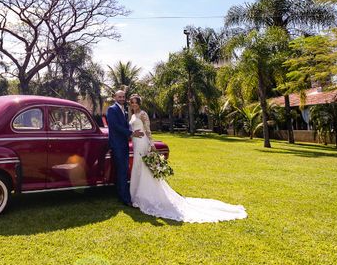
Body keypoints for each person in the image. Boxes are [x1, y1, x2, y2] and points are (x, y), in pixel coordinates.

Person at [129, 94, 247, 223]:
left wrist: (151, 145)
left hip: (142, 143)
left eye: (135, 102)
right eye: (132, 102)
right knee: (138, 167)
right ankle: (137, 195)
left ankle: (147, 197)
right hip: (135, 143)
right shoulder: (133, 115)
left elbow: (148, 130)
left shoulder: (143, 114)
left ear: (139, 103)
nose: (133, 104)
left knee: (145, 169)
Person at [106, 90, 142, 206]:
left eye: (123, 96)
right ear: (115, 97)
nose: (122, 98)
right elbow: (115, 126)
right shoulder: (112, 109)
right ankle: (125, 199)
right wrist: (131, 134)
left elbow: (124, 125)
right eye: (119, 96)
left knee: (123, 170)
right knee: (122, 170)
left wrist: (131, 132)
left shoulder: (124, 110)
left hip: (123, 144)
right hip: (117, 145)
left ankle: (122, 194)